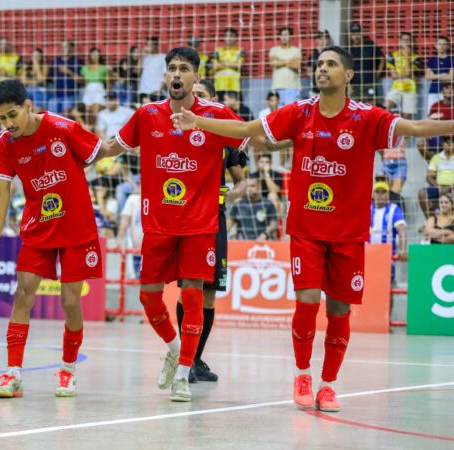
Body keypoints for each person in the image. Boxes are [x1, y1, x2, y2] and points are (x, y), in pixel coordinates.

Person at [171, 45, 454, 412]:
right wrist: (198, 121)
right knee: (306, 302)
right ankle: (303, 375)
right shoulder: (299, 112)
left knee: (339, 310)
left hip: (349, 233)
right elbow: (244, 129)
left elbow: (415, 128)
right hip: (306, 228)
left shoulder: (367, 117)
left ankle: (329, 384)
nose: (322, 69)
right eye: (319, 64)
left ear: (348, 75)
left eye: (330, 64)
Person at [112, 47, 249, 402]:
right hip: (158, 224)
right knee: (148, 296)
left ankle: (184, 374)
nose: (176, 73)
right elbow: (114, 147)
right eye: (171, 68)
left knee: (193, 296)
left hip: (200, 224)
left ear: (196, 77)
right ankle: (174, 349)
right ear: (165, 76)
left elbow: (251, 137)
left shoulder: (215, 115)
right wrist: (79, 153)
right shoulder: (147, 114)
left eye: (184, 68)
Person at [0, 79, 119, 399]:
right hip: (38, 227)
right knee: (23, 293)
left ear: (28, 106)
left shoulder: (62, 127)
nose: (8, 123)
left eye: (12, 115)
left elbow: (101, 150)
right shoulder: (4, 142)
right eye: (1, 118)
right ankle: (13, 374)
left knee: (69, 301)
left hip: (76, 227)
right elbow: (2, 192)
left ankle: (68, 370)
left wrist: (132, 139)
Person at [175, 79, 247, 384]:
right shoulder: (176, 133)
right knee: (188, 290)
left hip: (215, 218)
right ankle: (184, 360)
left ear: (213, 100)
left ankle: (196, 359)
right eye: (194, 96)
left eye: (202, 96)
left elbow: (241, 182)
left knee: (209, 295)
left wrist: (226, 196)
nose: (196, 101)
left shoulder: (224, 136)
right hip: (186, 218)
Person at [369, 180, 407, 315]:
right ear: (373, 194)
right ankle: (369, 318)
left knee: (387, 289)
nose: (380, 195)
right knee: (367, 288)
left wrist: (403, 249)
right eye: (377, 192)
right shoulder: (367, 209)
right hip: (368, 257)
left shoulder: (394, 209)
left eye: (383, 192)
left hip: (387, 258)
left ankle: (387, 320)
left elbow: (402, 231)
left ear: (388, 194)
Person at [385, 32, 423, 118]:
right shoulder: (393, 56)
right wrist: (406, 74)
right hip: (397, 87)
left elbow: (409, 73)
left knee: (407, 116)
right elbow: (394, 76)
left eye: (408, 40)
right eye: (403, 39)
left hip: (410, 88)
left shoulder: (416, 57)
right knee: (386, 106)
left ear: (411, 42)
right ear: (400, 41)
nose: (405, 41)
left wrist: (406, 56)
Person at [347, 23, 385, 103]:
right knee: (354, 108)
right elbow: (346, 68)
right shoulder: (348, 50)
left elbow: (382, 59)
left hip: (369, 83)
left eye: (358, 33)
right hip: (355, 85)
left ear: (362, 34)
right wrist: (349, 84)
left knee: (370, 106)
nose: (356, 36)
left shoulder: (370, 45)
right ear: (350, 36)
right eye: (353, 34)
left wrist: (377, 75)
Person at [419, 134, 454, 216]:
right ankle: (430, 219)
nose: (449, 143)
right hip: (439, 187)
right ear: (442, 143)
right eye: (446, 141)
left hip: (452, 187)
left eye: (452, 141)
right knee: (422, 193)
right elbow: (428, 177)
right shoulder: (436, 158)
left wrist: (451, 187)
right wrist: (438, 187)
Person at [269, 27, 303, 106]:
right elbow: (273, 63)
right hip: (277, 86)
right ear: (279, 37)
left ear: (291, 37)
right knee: (279, 112)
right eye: (282, 35)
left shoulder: (296, 50)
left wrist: (280, 60)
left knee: (291, 111)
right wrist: (290, 60)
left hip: (292, 87)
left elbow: (296, 65)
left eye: (286, 35)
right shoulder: (274, 50)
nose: (284, 37)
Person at [49, 40, 83, 114]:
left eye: (66, 47)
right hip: (57, 95)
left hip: (71, 95)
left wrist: (68, 72)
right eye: (62, 47)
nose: (63, 49)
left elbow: (81, 81)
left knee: (66, 115)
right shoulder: (56, 61)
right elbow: (50, 78)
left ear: (72, 49)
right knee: (52, 111)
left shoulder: (77, 62)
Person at [213, 28, 246, 102]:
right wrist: (232, 64)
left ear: (235, 38)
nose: (229, 38)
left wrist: (222, 63)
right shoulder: (217, 50)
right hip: (219, 85)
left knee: (235, 107)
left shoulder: (240, 50)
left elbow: (239, 66)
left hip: (234, 85)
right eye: (227, 36)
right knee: (219, 106)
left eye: (231, 36)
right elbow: (215, 66)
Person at [81, 47, 112, 120]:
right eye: (93, 55)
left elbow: (108, 83)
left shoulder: (104, 68)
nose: (95, 56)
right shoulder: (85, 68)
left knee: (97, 114)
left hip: (99, 91)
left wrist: (107, 94)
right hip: (88, 91)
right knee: (87, 114)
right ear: (90, 56)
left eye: (97, 55)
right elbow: (84, 82)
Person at [425, 36, 452, 114]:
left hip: (448, 92)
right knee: (431, 114)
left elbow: (451, 77)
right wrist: (443, 75)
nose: (442, 46)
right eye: (439, 44)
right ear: (436, 45)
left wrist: (435, 76)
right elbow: (428, 76)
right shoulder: (432, 59)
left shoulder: (452, 59)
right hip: (434, 90)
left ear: (448, 46)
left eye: (444, 44)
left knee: (448, 114)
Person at [309, 30, 333, 95]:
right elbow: (309, 70)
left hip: (329, 89)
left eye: (325, 38)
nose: (322, 40)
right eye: (320, 38)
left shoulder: (332, 54)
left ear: (328, 40)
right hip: (315, 89)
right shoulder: (313, 54)